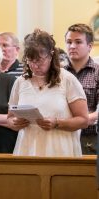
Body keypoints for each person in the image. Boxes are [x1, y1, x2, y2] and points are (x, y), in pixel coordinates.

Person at [7, 29, 89, 157]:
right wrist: (15, 123)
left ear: (51, 56)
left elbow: (83, 120)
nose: (35, 66)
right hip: (28, 149)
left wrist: (57, 123)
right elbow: (10, 118)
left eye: (40, 60)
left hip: (59, 150)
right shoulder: (21, 81)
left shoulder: (67, 79)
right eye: (30, 60)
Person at [64, 23, 99, 154]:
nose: (72, 46)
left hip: (89, 139)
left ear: (89, 46)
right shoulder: (58, 74)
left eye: (78, 42)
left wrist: (79, 121)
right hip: (63, 136)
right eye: (69, 42)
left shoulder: (97, 72)